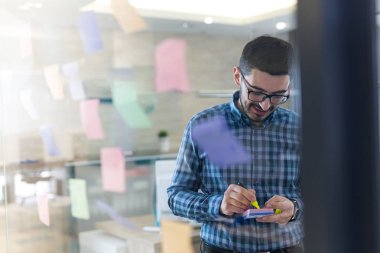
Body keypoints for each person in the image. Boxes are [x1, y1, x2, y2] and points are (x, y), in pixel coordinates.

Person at [167, 35, 303, 253]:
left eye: (278, 96)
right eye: (256, 92)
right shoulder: (204, 126)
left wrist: (295, 209)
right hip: (221, 248)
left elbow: (322, 196)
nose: (265, 105)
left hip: (287, 247)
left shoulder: (300, 128)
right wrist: (218, 204)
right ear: (237, 76)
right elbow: (175, 197)